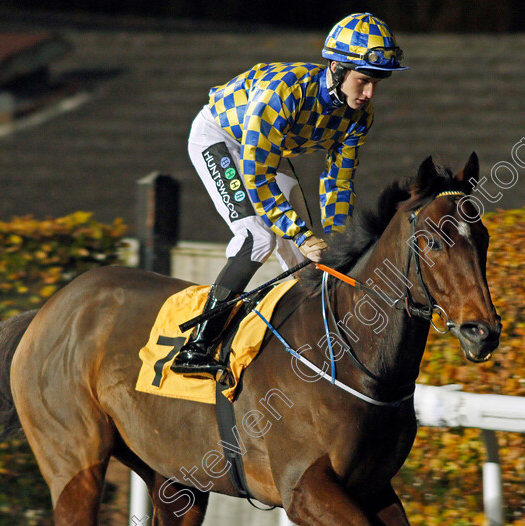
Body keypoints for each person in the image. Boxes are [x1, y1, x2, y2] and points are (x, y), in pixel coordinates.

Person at [171, 12, 407, 377]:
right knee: (259, 237)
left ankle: (301, 347)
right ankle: (198, 343)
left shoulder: (359, 117)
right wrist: (300, 231)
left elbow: (337, 184)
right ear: (336, 68)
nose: (369, 94)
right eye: (363, 81)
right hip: (220, 139)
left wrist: (338, 244)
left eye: (376, 83)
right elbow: (257, 173)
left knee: (306, 259)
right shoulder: (284, 92)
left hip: (266, 153)